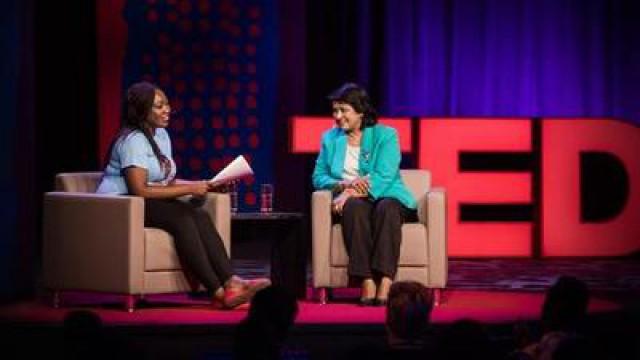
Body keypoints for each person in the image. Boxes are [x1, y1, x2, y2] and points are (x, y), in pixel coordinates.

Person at [96, 81, 269, 309]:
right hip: (123, 205)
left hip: (146, 200)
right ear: (141, 111)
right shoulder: (133, 141)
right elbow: (139, 189)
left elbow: (164, 181)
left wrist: (206, 185)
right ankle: (217, 293)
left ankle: (231, 282)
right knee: (183, 219)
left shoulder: (162, 136)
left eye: (167, 104)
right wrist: (190, 189)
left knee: (200, 215)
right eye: (159, 106)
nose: (167, 109)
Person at [312, 83, 417, 306]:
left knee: (386, 208)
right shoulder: (330, 139)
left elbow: (384, 175)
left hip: (388, 195)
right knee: (353, 208)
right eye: (335, 110)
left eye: (343, 110)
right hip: (353, 201)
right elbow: (318, 177)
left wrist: (350, 192)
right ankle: (367, 279)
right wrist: (342, 185)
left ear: (360, 112)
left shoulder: (386, 135)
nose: (337, 116)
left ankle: (386, 280)